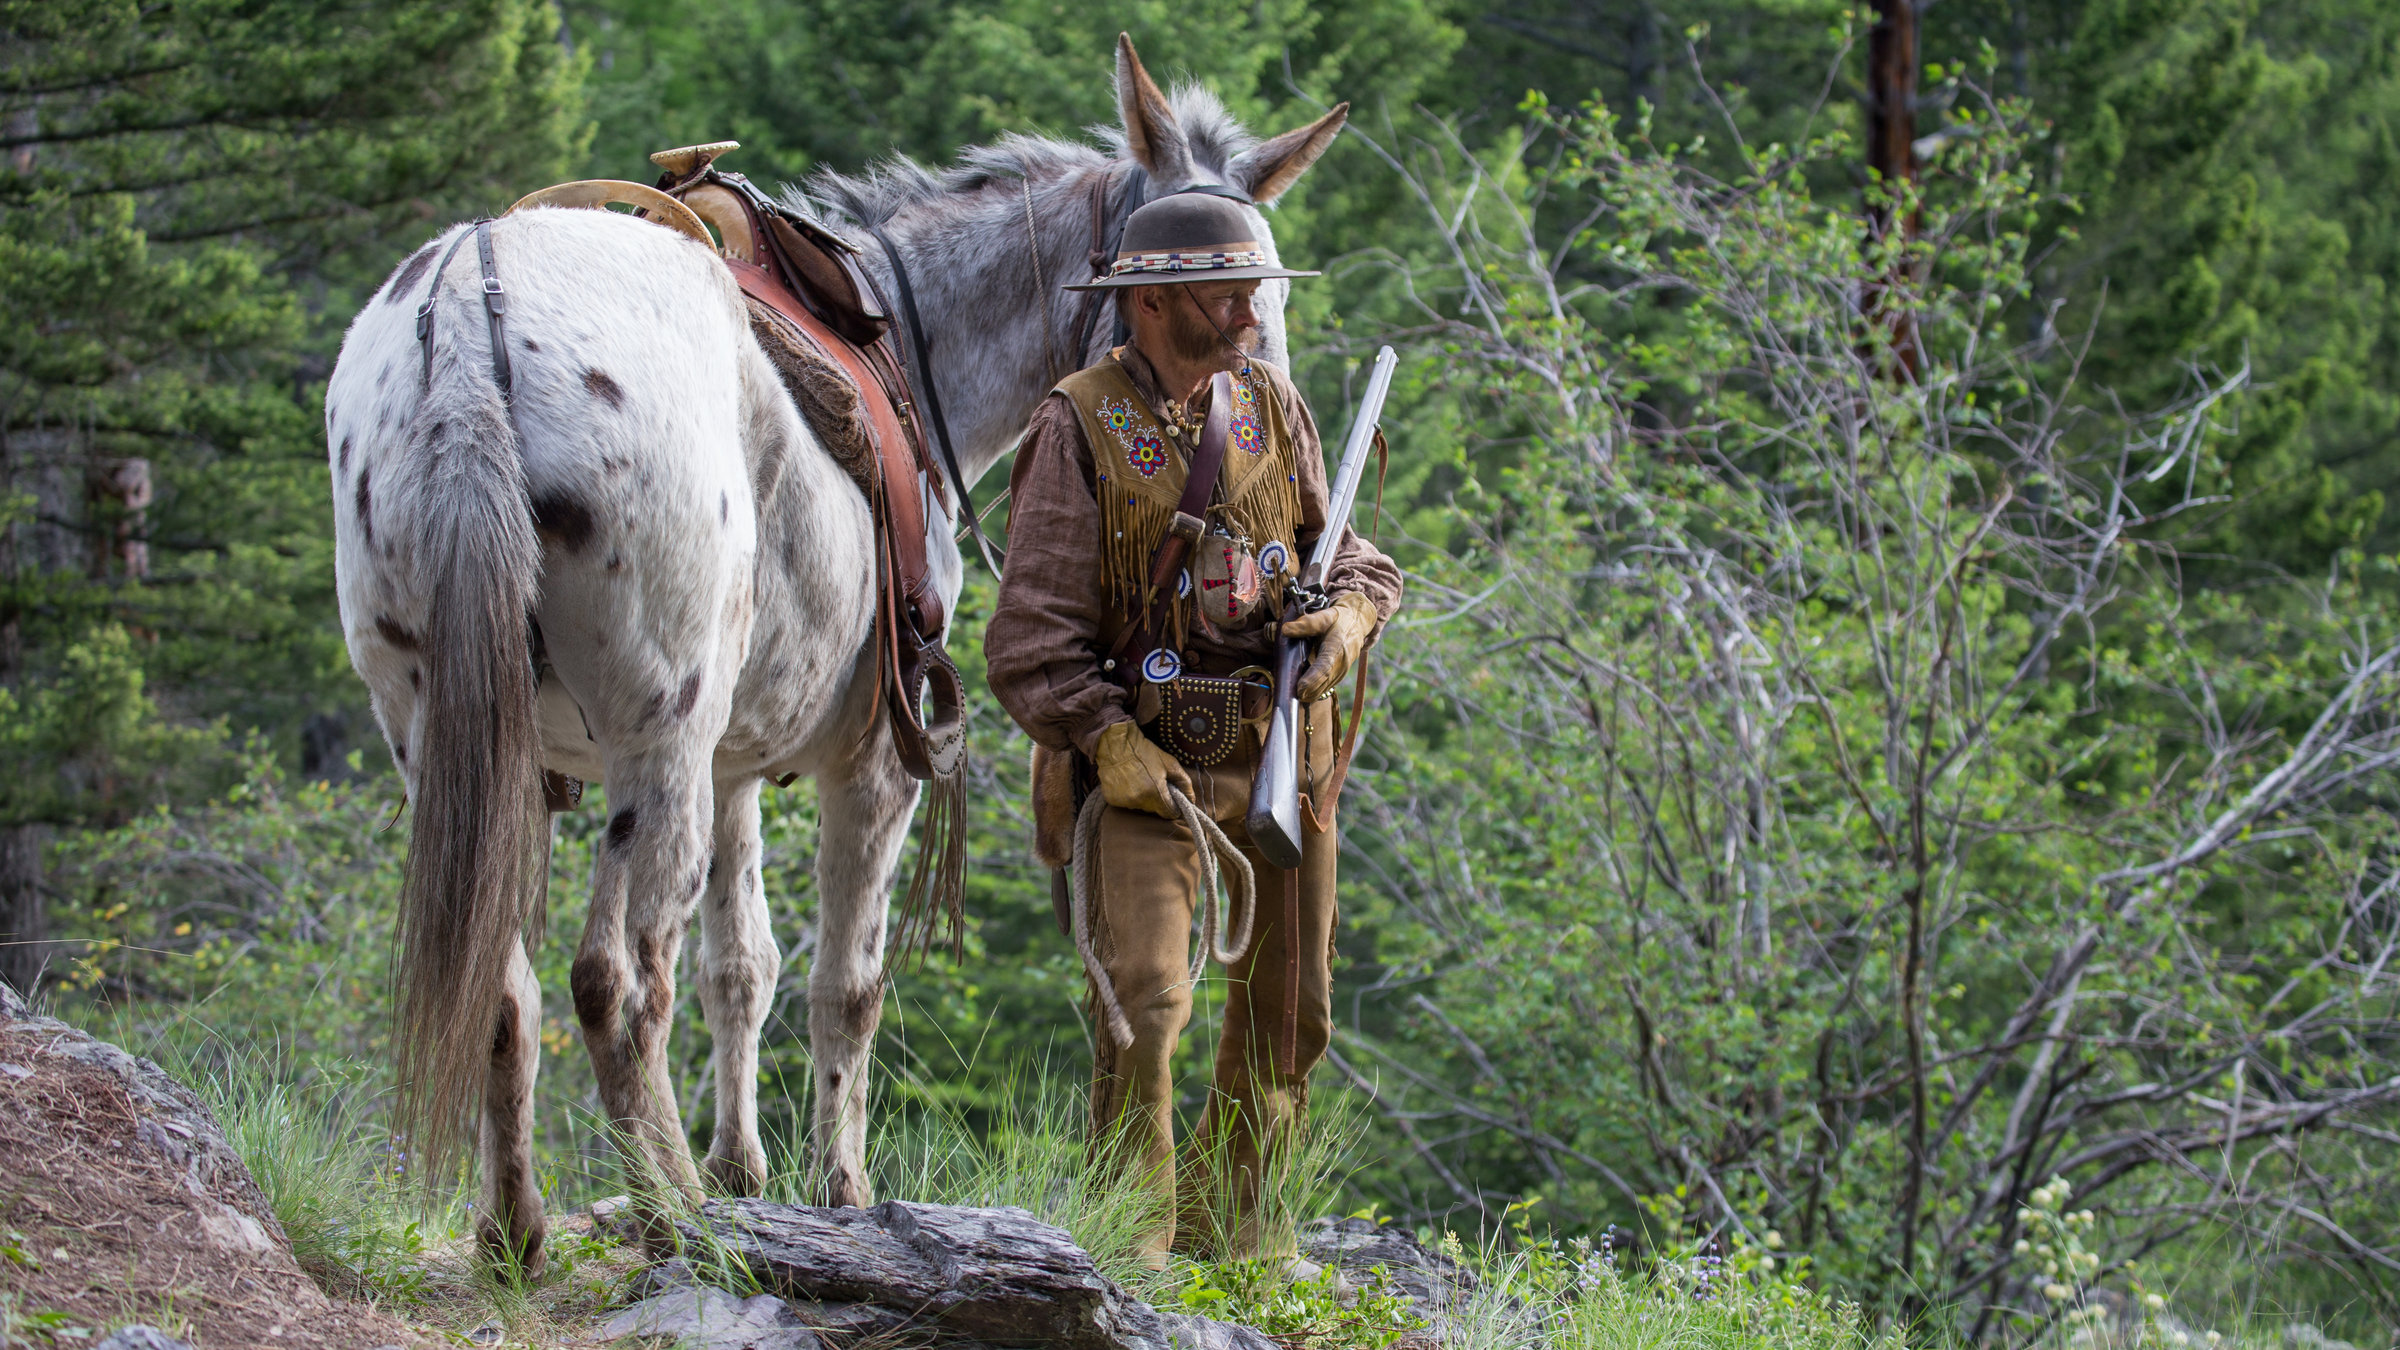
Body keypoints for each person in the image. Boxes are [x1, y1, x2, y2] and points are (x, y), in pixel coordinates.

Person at [985, 189, 1404, 1269]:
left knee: (1292, 1015)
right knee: (1145, 1004)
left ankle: (1244, 1242)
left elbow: (1346, 552)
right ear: (1156, 304)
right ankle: (1133, 1259)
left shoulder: (1271, 401)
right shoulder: (1076, 424)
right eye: (1230, 294)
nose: (1254, 314)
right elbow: (1029, 642)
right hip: (1147, 767)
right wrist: (1107, 741)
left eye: (1255, 291)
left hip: (1282, 754)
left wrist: (1349, 615)